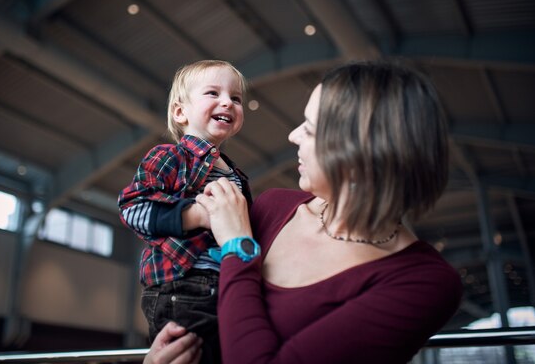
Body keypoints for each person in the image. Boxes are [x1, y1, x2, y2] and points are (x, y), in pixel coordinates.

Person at [146, 60, 463, 363]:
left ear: (359, 150)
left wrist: (237, 245)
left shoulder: (422, 282)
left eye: (310, 128)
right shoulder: (271, 207)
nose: (293, 135)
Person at [118, 60, 251, 364]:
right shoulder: (172, 156)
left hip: (226, 283)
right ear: (181, 112)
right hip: (183, 285)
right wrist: (197, 216)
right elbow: (132, 207)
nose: (227, 102)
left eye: (236, 98)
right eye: (212, 93)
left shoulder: (235, 175)